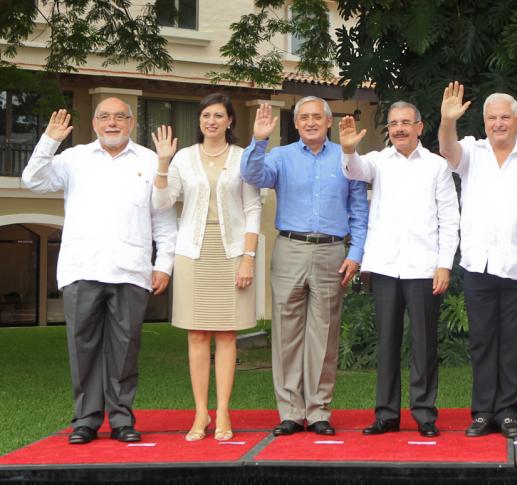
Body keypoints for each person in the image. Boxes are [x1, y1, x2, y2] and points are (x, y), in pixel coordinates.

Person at [21, 98, 177, 444]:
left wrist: (163, 264)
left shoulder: (151, 162)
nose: (112, 123)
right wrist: (49, 140)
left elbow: (164, 219)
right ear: (94, 123)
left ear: (131, 122)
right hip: (82, 267)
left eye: (119, 117)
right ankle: (86, 420)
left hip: (131, 270)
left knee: (125, 350)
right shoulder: (73, 159)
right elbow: (32, 180)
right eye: (104, 117)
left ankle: (121, 419)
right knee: (83, 348)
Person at [438, 82, 517, 439]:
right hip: (478, 266)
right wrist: (447, 121)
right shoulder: (471, 151)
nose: (498, 123)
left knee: (513, 343)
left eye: (505, 117)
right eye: (492, 117)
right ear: (483, 121)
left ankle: (509, 411)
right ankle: (482, 413)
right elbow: (446, 149)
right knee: (481, 342)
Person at [240, 97, 368, 436]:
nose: (310, 122)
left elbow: (359, 209)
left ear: (328, 122)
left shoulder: (346, 157)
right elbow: (252, 175)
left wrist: (355, 252)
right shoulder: (280, 157)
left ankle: (319, 410)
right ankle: (291, 412)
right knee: (286, 332)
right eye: (304, 118)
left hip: (331, 252)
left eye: (317, 117)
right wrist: (259, 140)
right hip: (290, 248)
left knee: (324, 333)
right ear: (295, 124)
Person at [338, 101, 459, 438]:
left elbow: (450, 219)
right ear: (388, 129)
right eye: (393, 123)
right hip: (386, 266)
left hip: (424, 267)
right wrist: (349, 151)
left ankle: (424, 414)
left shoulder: (437, 166)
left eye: (406, 122)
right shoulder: (377, 161)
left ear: (420, 127)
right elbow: (354, 171)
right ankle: (387, 415)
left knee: (424, 345)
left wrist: (444, 265)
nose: (400, 128)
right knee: (387, 344)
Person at [151, 93, 262, 442]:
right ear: (199, 121)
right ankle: (201, 412)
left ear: (230, 121)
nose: (210, 121)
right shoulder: (183, 158)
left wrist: (248, 257)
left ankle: (224, 410)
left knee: (228, 334)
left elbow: (253, 209)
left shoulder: (243, 158)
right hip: (192, 253)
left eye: (218, 115)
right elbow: (163, 201)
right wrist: (163, 164)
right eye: (205, 116)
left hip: (232, 254)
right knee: (197, 333)